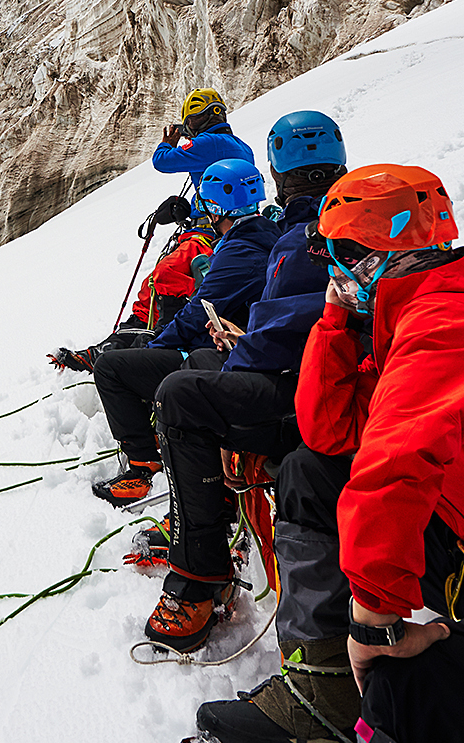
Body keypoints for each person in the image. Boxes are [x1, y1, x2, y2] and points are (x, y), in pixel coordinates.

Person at [195, 164, 464, 743]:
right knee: (313, 470)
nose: (328, 269)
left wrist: (372, 622)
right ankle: (327, 683)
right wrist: (337, 317)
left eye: (336, 255)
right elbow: (328, 431)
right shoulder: (408, 318)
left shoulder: (451, 322)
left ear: (367, 259)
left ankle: (371, 688)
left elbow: (394, 461)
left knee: (408, 684)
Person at [137, 112, 349, 654]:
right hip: (323, 381)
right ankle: (201, 529)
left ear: (277, 170)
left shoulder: (305, 238)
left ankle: (201, 578)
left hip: (307, 393)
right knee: (202, 368)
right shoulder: (349, 219)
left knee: (182, 397)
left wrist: (239, 351)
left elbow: (288, 328)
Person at [90, 159, 279, 508]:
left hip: (213, 355)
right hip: (234, 350)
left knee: (111, 369)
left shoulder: (239, 251)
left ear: (216, 206)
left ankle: (142, 463)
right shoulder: (266, 234)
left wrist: (157, 341)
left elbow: (196, 312)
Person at [49, 202, 219, 372]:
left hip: (207, 234)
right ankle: (116, 344)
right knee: (151, 287)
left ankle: (160, 340)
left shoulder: (218, 177)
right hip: (194, 232)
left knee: (167, 273)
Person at [154, 89, 257, 177]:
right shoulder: (244, 147)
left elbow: (160, 161)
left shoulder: (206, 143)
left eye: (189, 123)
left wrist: (167, 144)